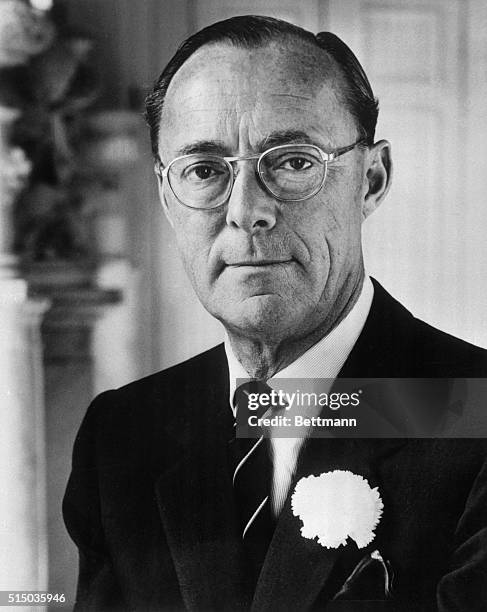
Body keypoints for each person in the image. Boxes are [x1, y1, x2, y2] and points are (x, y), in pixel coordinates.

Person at [63, 15, 487, 611]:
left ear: (371, 179)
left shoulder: (476, 414)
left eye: (292, 162)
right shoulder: (126, 436)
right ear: (166, 196)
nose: (246, 211)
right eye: (205, 171)